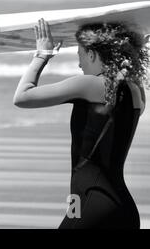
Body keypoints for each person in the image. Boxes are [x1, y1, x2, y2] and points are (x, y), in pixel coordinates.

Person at [13, 19, 149, 228]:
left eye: (80, 55)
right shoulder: (134, 92)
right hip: (125, 211)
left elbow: (22, 97)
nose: (79, 63)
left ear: (92, 54)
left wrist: (43, 55)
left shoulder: (87, 84)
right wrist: (132, 53)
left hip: (90, 207)